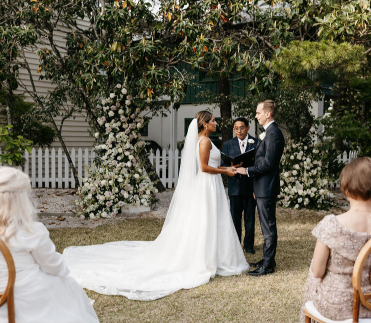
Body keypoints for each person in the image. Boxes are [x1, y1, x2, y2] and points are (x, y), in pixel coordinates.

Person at [63, 111, 249, 301]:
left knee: (210, 220)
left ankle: (215, 255)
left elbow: (209, 165)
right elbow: (204, 167)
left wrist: (227, 168)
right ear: (204, 124)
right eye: (212, 121)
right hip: (207, 184)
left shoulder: (202, 140)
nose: (216, 123)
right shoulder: (204, 142)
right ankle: (207, 258)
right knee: (207, 219)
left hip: (211, 184)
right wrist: (227, 172)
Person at [0, 167, 104, 323]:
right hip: (15, 316)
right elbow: (55, 267)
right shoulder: (31, 231)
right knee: (67, 283)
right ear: (20, 199)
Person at [300, 157, 371, 323]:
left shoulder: (332, 223)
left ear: (346, 187)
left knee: (313, 276)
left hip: (337, 305)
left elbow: (317, 272)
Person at [236, 100, 285, 276]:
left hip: (267, 186)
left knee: (269, 226)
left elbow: (268, 164)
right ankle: (267, 259)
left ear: (268, 114)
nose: (256, 115)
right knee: (266, 225)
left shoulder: (273, 134)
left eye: (258, 112)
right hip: (262, 187)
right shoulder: (268, 133)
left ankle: (268, 265)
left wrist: (247, 170)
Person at [221, 117, 257, 254]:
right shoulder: (228, 144)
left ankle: (249, 246)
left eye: (241, 128)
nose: (239, 131)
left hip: (250, 186)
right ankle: (235, 245)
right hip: (234, 186)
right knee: (235, 218)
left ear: (247, 128)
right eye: (236, 128)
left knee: (250, 218)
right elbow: (223, 165)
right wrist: (230, 166)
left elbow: (258, 164)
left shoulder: (256, 142)